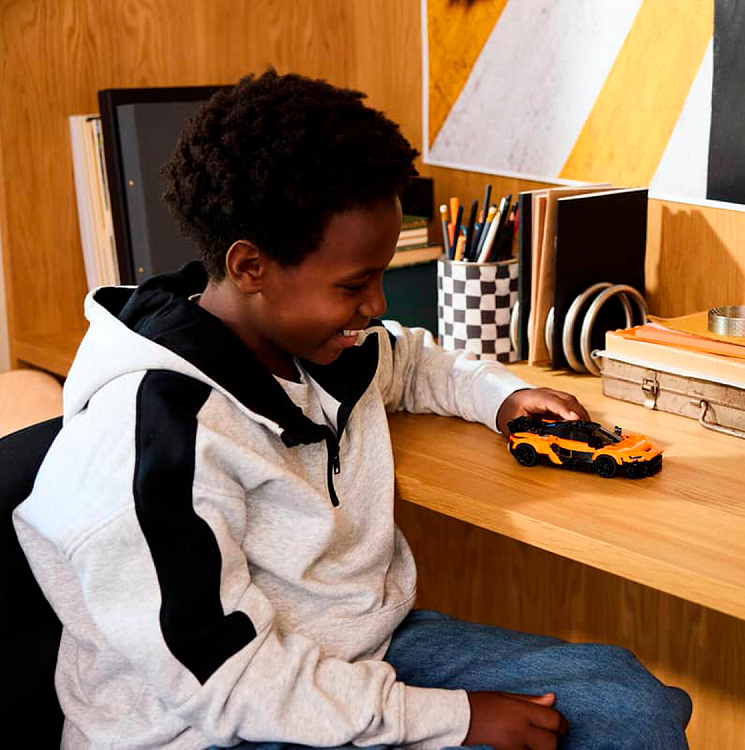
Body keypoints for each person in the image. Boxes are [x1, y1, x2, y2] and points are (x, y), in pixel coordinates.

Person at [14, 70, 691, 749]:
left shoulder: (322, 346)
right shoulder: (150, 439)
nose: (376, 305)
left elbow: (413, 361)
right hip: (209, 724)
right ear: (250, 268)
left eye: (381, 274)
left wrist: (504, 398)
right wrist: (454, 718)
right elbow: (230, 684)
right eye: (354, 284)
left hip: (357, 653)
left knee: (630, 705)